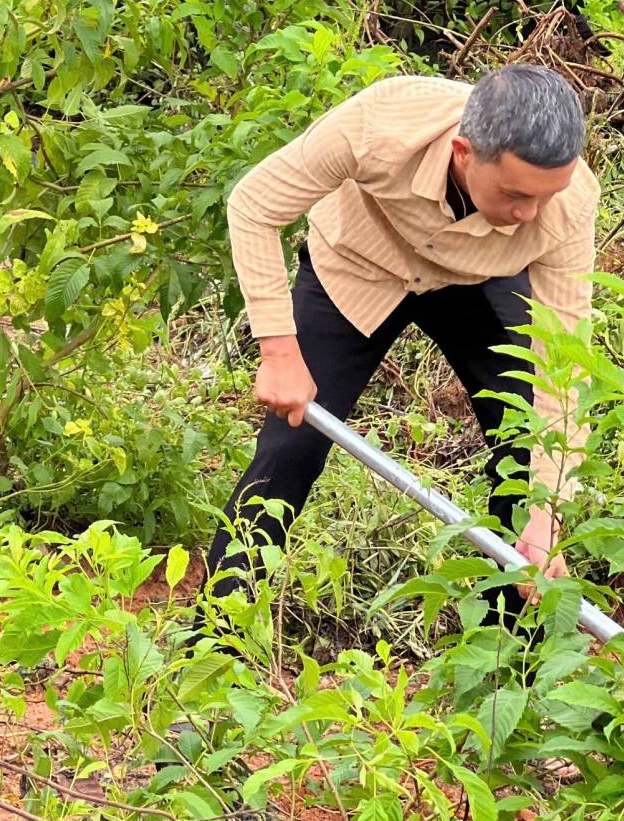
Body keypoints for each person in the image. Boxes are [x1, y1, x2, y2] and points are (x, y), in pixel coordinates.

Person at [211, 66, 598, 613]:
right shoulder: (382, 122)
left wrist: (549, 512)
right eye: (515, 194)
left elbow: (564, 359)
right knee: (291, 445)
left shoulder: (570, 202)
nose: (529, 214)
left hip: (479, 278)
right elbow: (254, 205)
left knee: (525, 445)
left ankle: (506, 667)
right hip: (359, 267)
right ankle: (220, 631)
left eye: (545, 196)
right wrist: (278, 351)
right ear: (464, 152)